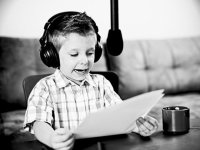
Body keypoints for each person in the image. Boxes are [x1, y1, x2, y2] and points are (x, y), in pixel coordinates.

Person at [23, 11, 158, 150]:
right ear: (53, 55)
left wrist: (138, 124)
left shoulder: (102, 83)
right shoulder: (44, 88)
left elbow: (120, 115)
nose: (84, 61)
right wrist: (51, 139)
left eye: (90, 53)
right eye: (74, 54)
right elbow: (39, 123)